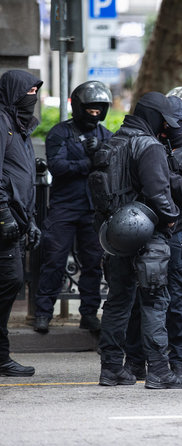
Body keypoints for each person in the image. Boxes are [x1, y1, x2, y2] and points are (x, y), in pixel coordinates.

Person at [94, 91, 182, 389]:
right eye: (164, 121)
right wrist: (171, 217)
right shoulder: (148, 146)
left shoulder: (111, 142)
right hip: (149, 235)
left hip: (116, 236)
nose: (167, 128)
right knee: (155, 301)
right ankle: (159, 371)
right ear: (153, 117)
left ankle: (111, 369)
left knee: (118, 302)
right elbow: (159, 193)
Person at [124, 96, 182, 387]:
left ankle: (178, 363)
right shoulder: (156, 145)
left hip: (178, 239)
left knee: (174, 304)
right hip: (151, 235)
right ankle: (135, 361)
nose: (166, 129)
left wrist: (163, 174)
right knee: (143, 301)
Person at [33, 81, 113, 334]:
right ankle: (43, 313)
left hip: (93, 209)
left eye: (98, 109)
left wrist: (101, 154)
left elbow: (113, 170)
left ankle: (88, 314)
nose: (95, 113)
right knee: (54, 260)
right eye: (90, 109)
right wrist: (88, 161)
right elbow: (58, 167)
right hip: (65, 207)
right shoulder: (60, 133)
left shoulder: (106, 136)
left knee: (92, 263)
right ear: (79, 107)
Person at [0, 70, 43, 377]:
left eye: (35, 92)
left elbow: (23, 176)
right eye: (27, 92)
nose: (33, 97)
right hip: (4, 219)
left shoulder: (20, 126)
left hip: (17, 218)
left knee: (10, 283)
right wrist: (3, 214)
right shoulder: (2, 122)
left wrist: (31, 221)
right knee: (10, 282)